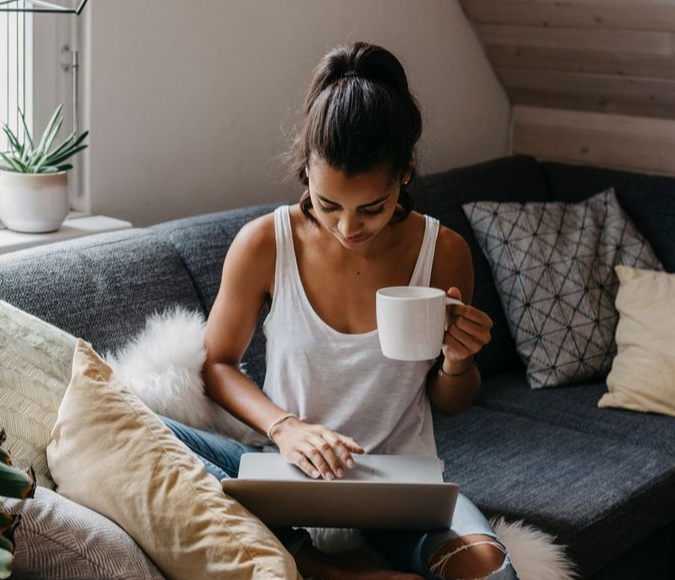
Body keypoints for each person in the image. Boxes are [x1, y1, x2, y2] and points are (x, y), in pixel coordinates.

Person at [161, 42, 517, 580]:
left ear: (405, 174)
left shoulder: (443, 254)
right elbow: (216, 365)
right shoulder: (266, 244)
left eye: (371, 209)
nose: (348, 229)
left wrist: (459, 361)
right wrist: (286, 428)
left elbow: (452, 403)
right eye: (329, 205)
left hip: (397, 483)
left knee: (493, 572)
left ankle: (319, 563)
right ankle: (325, 566)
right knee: (154, 432)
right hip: (285, 470)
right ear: (306, 170)